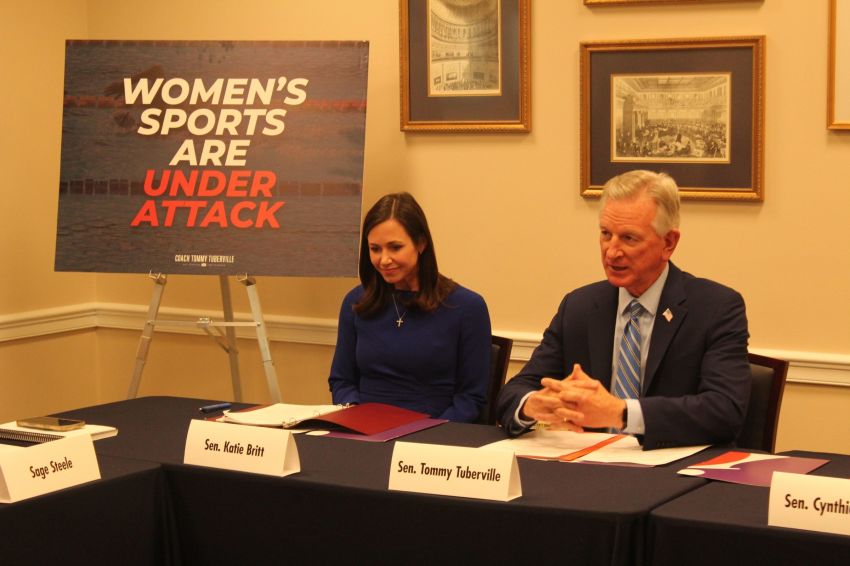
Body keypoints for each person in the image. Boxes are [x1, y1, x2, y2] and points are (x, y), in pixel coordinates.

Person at [496, 170, 750, 449]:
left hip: (671, 474)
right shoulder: (579, 306)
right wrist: (534, 405)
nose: (611, 251)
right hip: (588, 469)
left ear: (668, 243)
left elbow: (724, 410)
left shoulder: (716, 308)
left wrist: (621, 412)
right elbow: (515, 391)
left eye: (629, 238)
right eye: (606, 234)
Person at [328, 192, 491, 423]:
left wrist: (429, 433)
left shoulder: (467, 307)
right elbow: (341, 381)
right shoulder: (356, 302)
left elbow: (470, 399)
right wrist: (354, 415)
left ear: (421, 244)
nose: (384, 260)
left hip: (433, 437)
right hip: (362, 430)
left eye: (395, 247)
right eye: (375, 249)